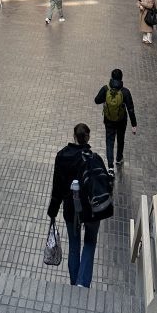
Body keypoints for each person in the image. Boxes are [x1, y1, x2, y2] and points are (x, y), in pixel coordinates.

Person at [46, 123, 112, 288]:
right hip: (91, 210)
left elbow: (57, 187)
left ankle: (75, 283)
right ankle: (83, 283)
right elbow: (105, 184)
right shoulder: (93, 158)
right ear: (87, 137)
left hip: (71, 210)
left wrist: (53, 211)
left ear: (74, 136)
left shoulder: (61, 156)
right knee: (90, 242)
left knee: (74, 246)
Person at [94, 68, 137, 175]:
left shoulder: (106, 89)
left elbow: (96, 100)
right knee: (120, 138)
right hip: (121, 121)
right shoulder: (125, 92)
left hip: (108, 120)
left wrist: (106, 99)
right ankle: (119, 157)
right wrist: (134, 124)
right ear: (121, 78)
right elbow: (130, 108)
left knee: (109, 142)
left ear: (111, 77)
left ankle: (110, 167)